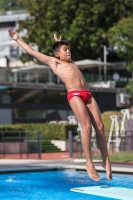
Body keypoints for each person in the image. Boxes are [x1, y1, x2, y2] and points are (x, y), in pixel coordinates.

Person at [7, 28, 112, 181]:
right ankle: (89, 164)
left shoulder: (72, 62)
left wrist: (59, 44)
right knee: (87, 127)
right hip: (74, 95)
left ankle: (106, 160)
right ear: (57, 54)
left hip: (87, 94)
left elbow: (62, 51)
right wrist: (18, 39)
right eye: (65, 50)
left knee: (100, 126)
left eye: (69, 49)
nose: (68, 51)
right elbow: (31, 52)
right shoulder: (54, 62)